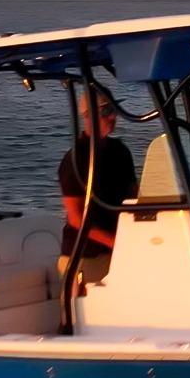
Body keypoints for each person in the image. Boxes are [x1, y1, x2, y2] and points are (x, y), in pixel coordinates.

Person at [57, 86, 137, 286]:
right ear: (87, 115)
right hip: (84, 256)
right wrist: (115, 242)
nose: (113, 117)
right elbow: (76, 219)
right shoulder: (76, 159)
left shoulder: (121, 151)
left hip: (119, 251)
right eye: (106, 112)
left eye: (114, 111)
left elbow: (135, 198)